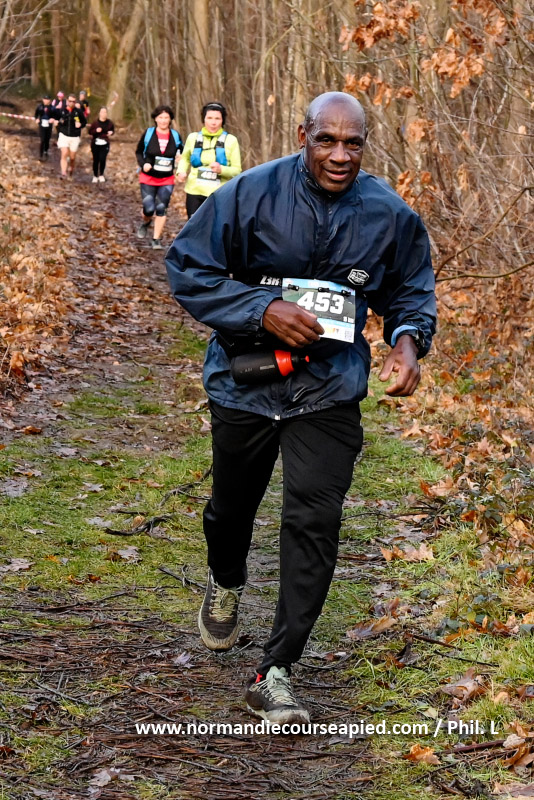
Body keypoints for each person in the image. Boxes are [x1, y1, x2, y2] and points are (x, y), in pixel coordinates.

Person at [165, 92, 436, 726]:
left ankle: (276, 669)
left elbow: (410, 291)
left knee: (314, 519)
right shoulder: (250, 194)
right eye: (326, 140)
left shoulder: (388, 214)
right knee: (231, 509)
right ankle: (226, 580)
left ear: (365, 145)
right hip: (247, 382)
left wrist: (407, 342)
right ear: (302, 136)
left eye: (353, 143)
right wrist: (261, 309)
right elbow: (188, 267)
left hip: (329, 387)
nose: (340, 155)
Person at [177, 101, 241, 219]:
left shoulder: (231, 140)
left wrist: (221, 169)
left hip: (219, 193)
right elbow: (185, 158)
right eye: (209, 118)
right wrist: (181, 171)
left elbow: (237, 170)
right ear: (204, 119)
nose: (213, 122)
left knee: (215, 226)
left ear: (222, 121)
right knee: (194, 225)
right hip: (194, 191)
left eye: (217, 118)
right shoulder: (193, 137)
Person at [135, 105, 182, 250]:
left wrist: (180, 159)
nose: (163, 120)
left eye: (166, 117)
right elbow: (139, 152)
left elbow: (182, 153)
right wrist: (143, 164)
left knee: (162, 208)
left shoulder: (175, 136)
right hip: (148, 178)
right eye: (160, 117)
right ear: (155, 119)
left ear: (170, 119)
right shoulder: (149, 134)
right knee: (149, 209)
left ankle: (156, 239)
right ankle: (146, 222)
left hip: (167, 179)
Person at [53, 93, 87, 179]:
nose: (71, 103)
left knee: (72, 157)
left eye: (73, 101)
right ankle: (63, 172)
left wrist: (80, 125)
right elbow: (56, 119)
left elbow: (84, 122)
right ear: (67, 101)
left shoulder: (78, 112)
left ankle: (71, 168)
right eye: (70, 101)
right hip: (64, 135)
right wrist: (56, 123)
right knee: (64, 153)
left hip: (74, 136)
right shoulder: (62, 110)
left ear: (75, 102)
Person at [88, 107, 114, 183]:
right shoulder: (95, 123)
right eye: (102, 112)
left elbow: (112, 130)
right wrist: (96, 131)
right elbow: (90, 132)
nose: (104, 114)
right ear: (99, 113)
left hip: (105, 143)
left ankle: (101, 174)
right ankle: (95, 175)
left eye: (105, 112)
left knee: (103, 159)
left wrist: (111, 132)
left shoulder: (110, 123)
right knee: (96, 159)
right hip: (95, 143)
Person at [34, 94, 54, 160]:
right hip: (42, 124)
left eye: (47, 99)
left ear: (50, 100)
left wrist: (53, 119)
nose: (45, 101)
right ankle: (40, 154)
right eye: (44, 99)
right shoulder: (40, 107)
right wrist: (37, 119)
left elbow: (56, 116)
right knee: (42, 139)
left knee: (47, 139)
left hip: (49, 125)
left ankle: (46, 151)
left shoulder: (52, 108)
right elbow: (36, 114)